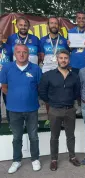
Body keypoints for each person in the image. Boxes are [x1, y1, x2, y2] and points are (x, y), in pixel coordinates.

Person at [0, 44, 42, 173]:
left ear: (28, 54)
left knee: (33, 136)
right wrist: (15, 97)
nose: (22, 54)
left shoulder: (35, 69)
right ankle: (16, 160)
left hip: (32, 109)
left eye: (24, 52)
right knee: (16, 137)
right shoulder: (7, 68)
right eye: (19, 52)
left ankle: (35, 159)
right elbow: (4, 87)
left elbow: (40, 88)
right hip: (14, 110)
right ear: (14, 54)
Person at [39, 49, 81, 171]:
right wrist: (52, 102)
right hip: (54, 110)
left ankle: (72, 157)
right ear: (57, 59)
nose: (63, 60)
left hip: (69, 110)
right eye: (61, 58)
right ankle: (54, 159)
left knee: (70, 136)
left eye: (66, 58)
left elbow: (77, 92)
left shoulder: (74, 76)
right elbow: (42, 92)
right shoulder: (48, 75)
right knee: (54, 136)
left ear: (69, 60)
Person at [40, 17, 69, 115]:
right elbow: (41, 56)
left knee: (61, 92)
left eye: (56, 23)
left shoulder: (64, 41)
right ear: (48, 25)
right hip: (47, 69)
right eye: (51, 23)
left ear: (59, 26)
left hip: (60, 70)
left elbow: (67, 56)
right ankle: (50, 115)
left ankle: (61, 115)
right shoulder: (42, 40)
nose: (54, 25)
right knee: (48, 93)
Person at [68, 11, 85, 116]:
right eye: (79, 18)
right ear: (76, 19)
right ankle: (79, 105)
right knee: (77, 86)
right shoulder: (71, 31)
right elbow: (69, 49)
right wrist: (70, 45)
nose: (81, 20)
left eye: (83, 18)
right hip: (74, 64)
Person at [0, 29, 12, 126]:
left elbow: (13, 61)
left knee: (9, 100)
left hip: (6, 77)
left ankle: (11, 122)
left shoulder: (8, 47)